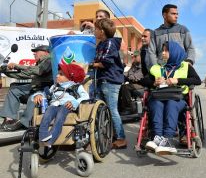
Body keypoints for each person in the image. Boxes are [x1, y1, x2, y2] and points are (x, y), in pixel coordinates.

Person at [143, 41, 201, 155]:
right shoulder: (158, 67)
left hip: (177, 98)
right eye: (162, 50)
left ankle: (168, 140)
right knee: (156, 104)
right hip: (159, 96)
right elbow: (144, 80)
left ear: (174, 52)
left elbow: (197, 80)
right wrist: (154, 82)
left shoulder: (185, 66)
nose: (163, 53)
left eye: (166, 50)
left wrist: (177, 80)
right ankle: (157, 138)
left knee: (171, 104)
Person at [33, 63, 89, 146]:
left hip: (67, 106)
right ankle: (43, 137)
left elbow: (85, 96)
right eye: (58, 74)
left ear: (70, 77)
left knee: (60, 117)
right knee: (47, 115)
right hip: (54, 106)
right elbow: (45, 94)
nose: (57, 76)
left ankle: (51, 139)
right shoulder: (54, 87)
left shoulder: (76, 86)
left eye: (61, 74)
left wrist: (74, 102)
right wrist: (39, 95)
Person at [92, 18, 127, 149]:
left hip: (110, 80)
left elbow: (106, 62)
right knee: (101, 109)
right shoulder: (102, 44)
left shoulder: (110, 43)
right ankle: (105, 135)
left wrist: (91, 65)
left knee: (112, 110)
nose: (94, 31)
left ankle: (121, 138)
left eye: (95, 29)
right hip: (103, 79)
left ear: (102, 31)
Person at [0, 45, 53, 131]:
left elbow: (38, 70)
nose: (34, 53)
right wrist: (5, 71)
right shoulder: (40, 63)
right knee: (14, 89)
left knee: (33, 97)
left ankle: (24, 122)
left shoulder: (49, 60)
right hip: (35, 88)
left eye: (37, 51)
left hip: (45, 89)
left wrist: (17, 66)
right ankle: (9, 119)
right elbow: (24, 74)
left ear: (46, 52)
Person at [119, 50, 144, 115]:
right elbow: (126, 74)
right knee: (120, 87)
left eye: (136, 56)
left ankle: (128, 108)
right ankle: (120, 107)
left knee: (126, 87)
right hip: (133, 84)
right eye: (133, 57)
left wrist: (128, 77)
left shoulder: (143, 66)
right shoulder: (133, 66)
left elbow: (136, 78)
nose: (134, 58)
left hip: (141, 84)